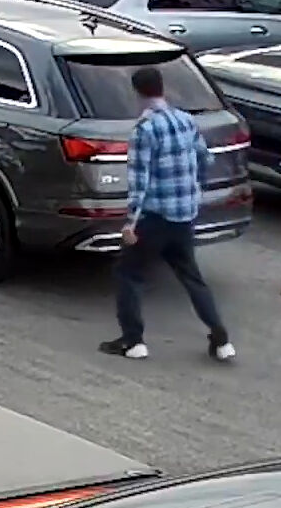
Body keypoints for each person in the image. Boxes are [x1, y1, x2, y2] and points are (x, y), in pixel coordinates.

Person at [99, 66, 235, 362]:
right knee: (192, 277)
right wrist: (194, 190)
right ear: (162, 88)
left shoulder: (144, 130)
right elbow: (205, 158)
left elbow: (139, 181)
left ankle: (133, 341)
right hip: (185, 215)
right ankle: (221, 338)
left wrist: (131, 223)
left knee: (128, 274)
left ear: (136, 93)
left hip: (155, 218)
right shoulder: (186, 120)